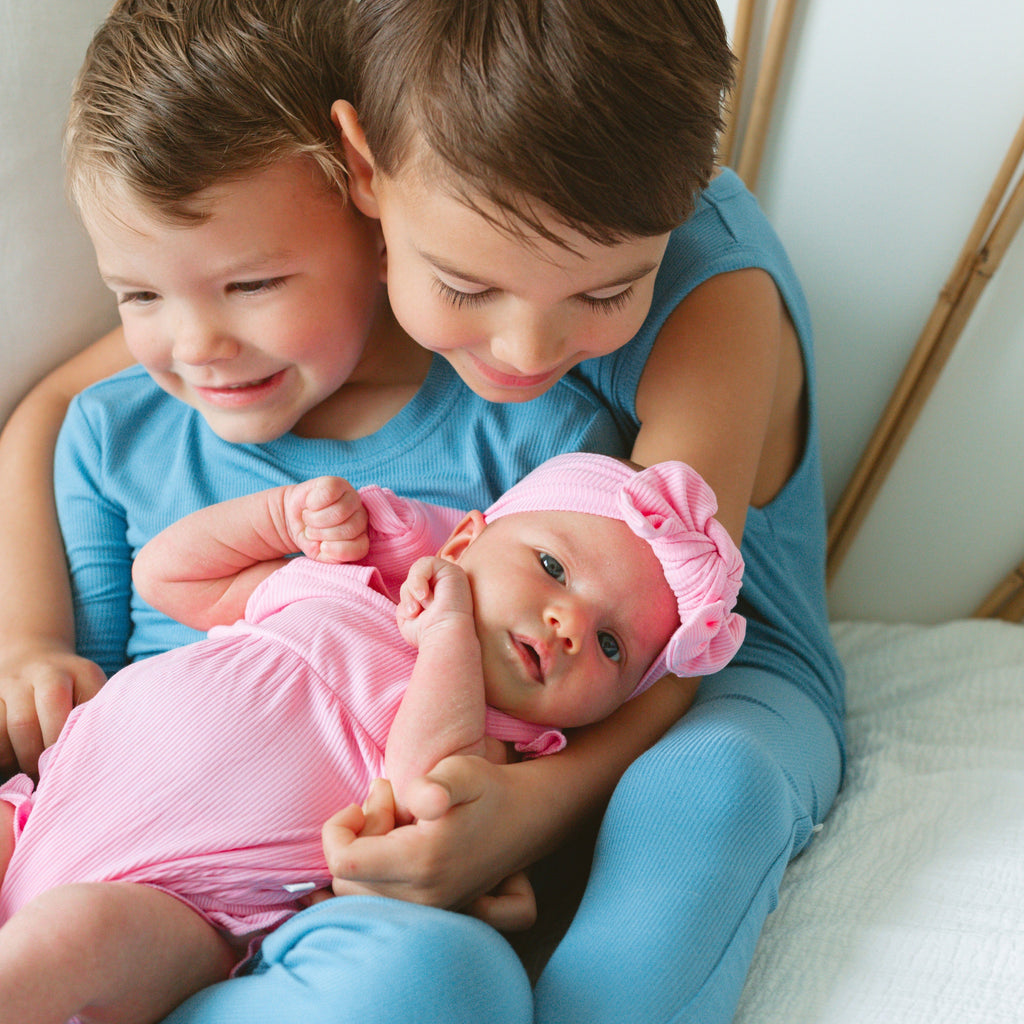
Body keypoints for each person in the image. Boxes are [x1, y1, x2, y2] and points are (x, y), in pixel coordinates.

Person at [0, 1, 846, 1021]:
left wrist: (526, 814)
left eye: (607, 291)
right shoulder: (355, 208)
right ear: (369, 187)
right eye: (463, 282)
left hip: (683, 665)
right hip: (250, 809)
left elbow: (660, 637)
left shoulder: (689, 288)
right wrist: (29, 636)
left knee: (706, 781)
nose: (531, 354)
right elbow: (86, 389)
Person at [0, 453, 745, 1024]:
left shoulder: (500, 748)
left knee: (74, 938)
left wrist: (450, 634)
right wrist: (280, 518)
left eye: (612, 645)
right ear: (460, 543)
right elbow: (168, 577)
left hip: (182, 906)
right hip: (50, 806)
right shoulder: (341, 585)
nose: (570, 624)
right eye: (552, 567)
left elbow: (417, 792)